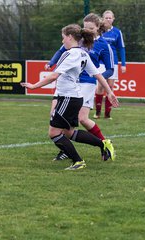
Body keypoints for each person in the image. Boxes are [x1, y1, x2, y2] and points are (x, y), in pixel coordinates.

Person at [21, 24, 119, 170]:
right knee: (68, 132)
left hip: (68, 97)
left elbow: (54, 75)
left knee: (54, 132)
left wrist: (34, 86)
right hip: (73, 97)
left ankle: (78, 161)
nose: (62, 42)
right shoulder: (83, 53)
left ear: (70, 37)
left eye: (63, 38)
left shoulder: (71, 54)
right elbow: (97, 74)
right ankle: (102, 143)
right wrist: (109, 92)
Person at [46, 13, 115, 161]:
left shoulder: (104, 45)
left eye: (91, 28)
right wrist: (51, 63)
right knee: (56, 117)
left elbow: (110, 69)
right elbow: (60, 51)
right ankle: (66, 149)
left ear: (98, 28)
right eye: (85, 27)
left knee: (81, 119)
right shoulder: (77, 40)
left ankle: (103, 143)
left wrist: (96, 75)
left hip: (86, 84)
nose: (88, 30)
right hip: (68, 83)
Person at [94, 10, 126, 120]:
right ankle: (98, 112)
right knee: (100, 86)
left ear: (113, 19)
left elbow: (121, 48)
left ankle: (107, 114)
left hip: (113, 62)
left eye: (110, 18)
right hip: (101, 62)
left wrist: (123, 64)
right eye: (106, 18)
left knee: (110, 87)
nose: (108, 19)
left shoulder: (117, 32)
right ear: (103, 19)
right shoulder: (98, 31)